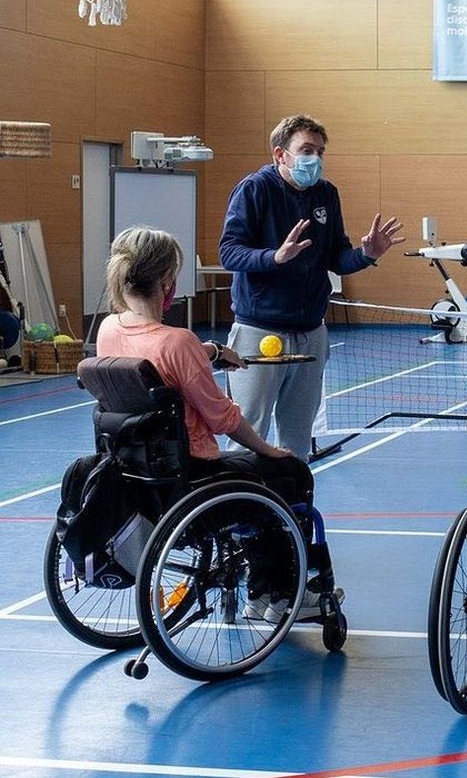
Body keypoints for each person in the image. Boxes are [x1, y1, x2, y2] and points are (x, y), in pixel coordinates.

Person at [97, 226, 340, 621]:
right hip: (192, 478)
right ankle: (276, 596)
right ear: (166, 283)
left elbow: (159, 368)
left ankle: (264, 584)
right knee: (290, 473)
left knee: (264, 473)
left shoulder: (109, 329)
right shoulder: (176, 342)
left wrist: (208, 351)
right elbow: (222, 418)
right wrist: (268, 449)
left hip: (135, 474)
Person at [218, 114, 404, 459]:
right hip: (259, 332)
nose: (315, 159)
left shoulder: (326, 193)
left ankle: (295, 510)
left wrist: (366, 254)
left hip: (310, 334)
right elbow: (229, 252)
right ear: (280, 154)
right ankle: (243, 509)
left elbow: (336, 256)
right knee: (247, 433)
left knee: (298, 438)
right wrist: (274, 257)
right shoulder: (254, 189)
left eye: (320, 151)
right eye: (306, 150)